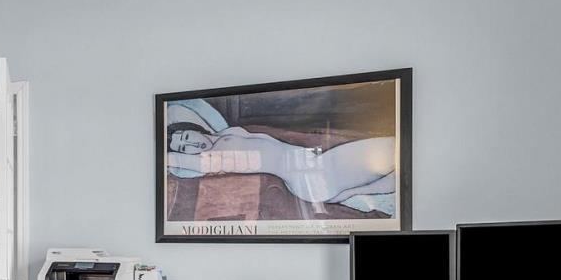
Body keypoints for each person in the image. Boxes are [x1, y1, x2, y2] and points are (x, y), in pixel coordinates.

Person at [165, 100, 395, 215]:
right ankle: (352, 193)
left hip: (315, 168)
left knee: (393, 160)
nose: (191, 144)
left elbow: (195, 109)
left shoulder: (225, 132)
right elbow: (169, 160)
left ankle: (352, 193)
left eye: (186, 136)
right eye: (185, 149)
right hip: (312, 178)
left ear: (192, 128)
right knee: (391, 151)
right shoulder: (211, 159)